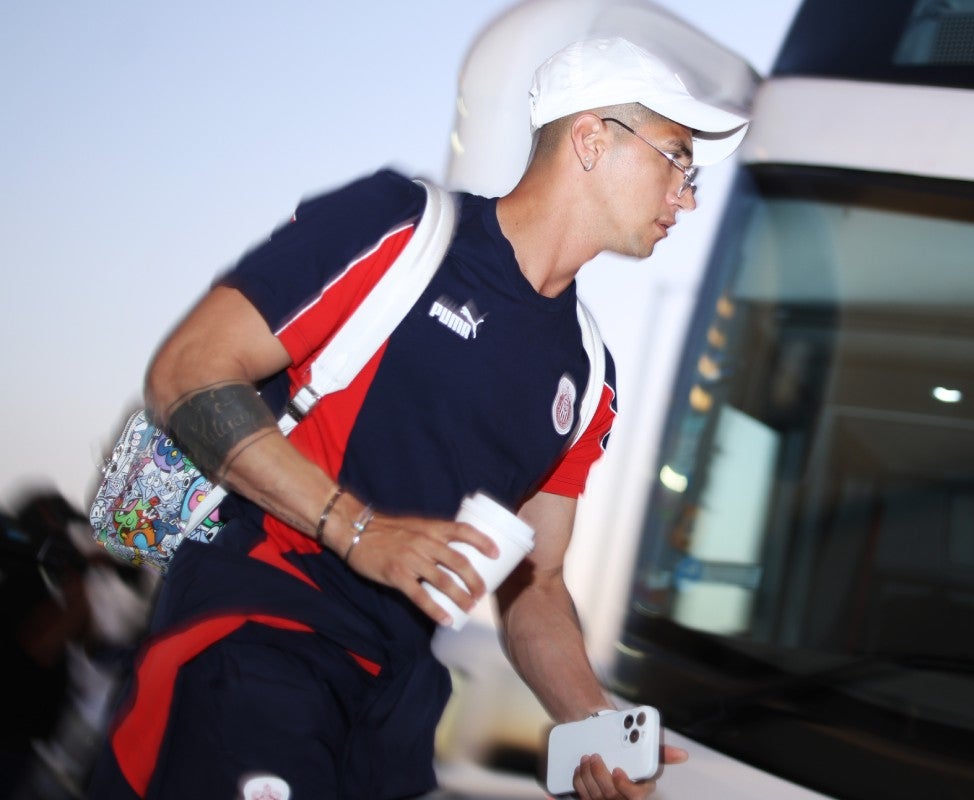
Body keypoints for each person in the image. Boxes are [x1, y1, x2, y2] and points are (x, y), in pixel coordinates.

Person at [86, 35, 750, 800]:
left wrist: (593, 722)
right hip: (258, 639)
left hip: (390, 716)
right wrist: (356, 528)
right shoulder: (400, 228)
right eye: (676, 158)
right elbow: (188, 371)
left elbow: (535, 584)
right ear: (592, 139)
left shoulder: (591, 376)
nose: (687, 198)